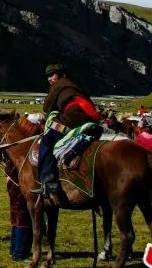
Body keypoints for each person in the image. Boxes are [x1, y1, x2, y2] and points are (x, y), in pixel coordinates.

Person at [32, 63, 101, 204]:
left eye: (52, 75)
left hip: (73, 116)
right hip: (90, 118)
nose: (49, 79)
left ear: (61, 74)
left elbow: (47, 107)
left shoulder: (60, 84)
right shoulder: (75, 85)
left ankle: (48, 183)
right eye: (48, 76)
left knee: (47, 141)